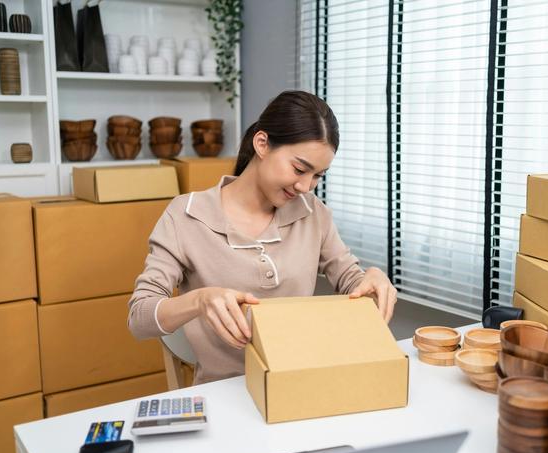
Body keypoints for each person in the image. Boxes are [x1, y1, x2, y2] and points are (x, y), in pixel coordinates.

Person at [128, 90, 397, 385]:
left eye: (319, 175)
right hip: (224, 394)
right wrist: (200, 300)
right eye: (299, 169)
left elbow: (349, 278)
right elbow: (139, 319)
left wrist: (370, 281)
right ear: (262, 144)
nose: (307, 186)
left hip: (300, 384)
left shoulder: (313, 213)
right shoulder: (186, 216)